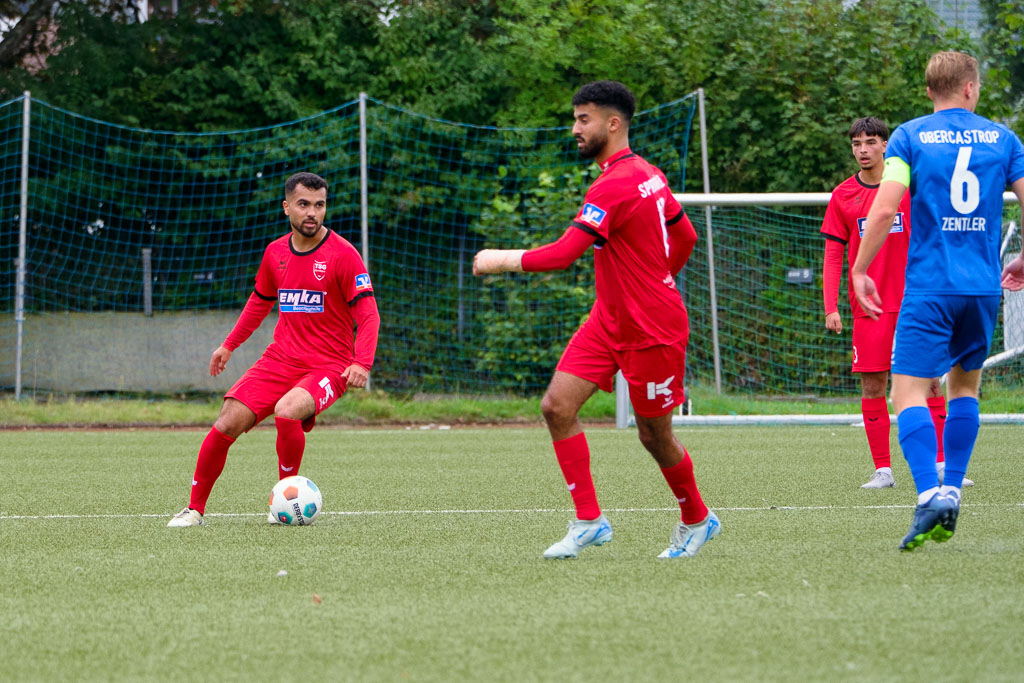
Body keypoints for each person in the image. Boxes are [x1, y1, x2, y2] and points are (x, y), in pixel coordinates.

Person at [473, 80, 718, 559]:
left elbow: (565, 254)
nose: (574, 129)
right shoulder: (647, 172)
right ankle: (590, 521)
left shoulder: (618, 181)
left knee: (654, 435)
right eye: (575, 118)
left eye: (583, 119)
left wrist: (498, 259)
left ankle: (698, 519)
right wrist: (651, 279)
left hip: (652, 329)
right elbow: (684, 237)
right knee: (557, 407)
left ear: (613, 123)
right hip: (609, 320)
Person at [853, 51, 1024, 550]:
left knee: (905, 393)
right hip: (982, 287)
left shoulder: (909, 135)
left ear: (930, 92)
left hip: (929, 286)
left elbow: (884, 208)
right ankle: (953, 486)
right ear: (971, 88)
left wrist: (861, 268)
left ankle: (930, 492)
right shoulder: (1004, 138)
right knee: (964, 389)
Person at [168, 172, 380, 526]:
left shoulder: (343, 255)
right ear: (287, 208)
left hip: (330, 366)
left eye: (319, 205)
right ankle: (194, 509)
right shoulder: (275, 253)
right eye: (303, 204)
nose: (312, 213)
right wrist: (228, 345)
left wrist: (362, 362)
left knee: (288, 410)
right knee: (227, 420)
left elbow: (368, 313)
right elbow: (259, 302)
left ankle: (283, 496)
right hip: (281, 359)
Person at [821, 118, 966, 489]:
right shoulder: (842, 197)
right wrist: (831, 305)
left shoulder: (909, 189)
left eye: (871, 141)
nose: (864, 149)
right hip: (869, 307)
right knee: (873, 385)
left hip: (916, 301)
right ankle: (883, 469)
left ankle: (940, 462)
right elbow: (834, 255)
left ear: (885, 145)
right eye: (857, 143)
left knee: (931, 380)